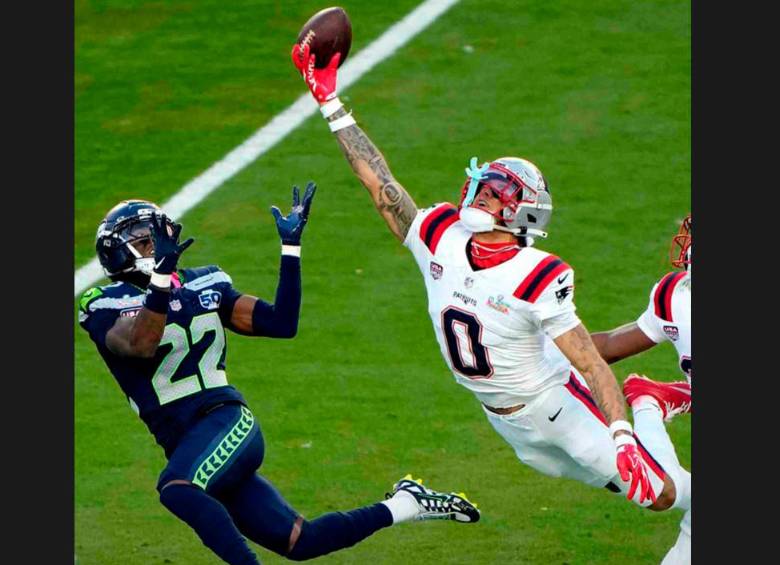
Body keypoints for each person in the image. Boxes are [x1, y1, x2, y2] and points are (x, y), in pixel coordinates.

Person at [291, 45, 691, 546]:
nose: (483, 192)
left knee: (658, 493)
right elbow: (380, 182)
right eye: (484, 183)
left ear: (524, 212)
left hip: (554, 403)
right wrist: (330, 102)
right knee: (620, 486)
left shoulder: (538, 274)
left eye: (499, 190)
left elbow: (589, 363)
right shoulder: (440, 234)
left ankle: (648, 403)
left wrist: (622, 432)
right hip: (506, 421)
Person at [78, 184, 480, 565]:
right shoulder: (104, 301)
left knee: (177, 489)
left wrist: (290, 249)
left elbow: (281, 322)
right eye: (145, 240)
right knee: (300, 541)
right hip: (187, 441)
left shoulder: (205, 282)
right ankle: (405, 504)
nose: (157, 246)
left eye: (156, 236)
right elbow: (139, 344)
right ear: (117, 251)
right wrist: (161, 281)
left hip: (225, 420)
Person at [591, 214, 692, 564]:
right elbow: (609, 346)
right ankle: (650, 400)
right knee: (666, 494)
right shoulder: (675, 297)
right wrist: (537, 346)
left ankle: (650, 401)